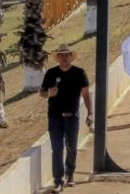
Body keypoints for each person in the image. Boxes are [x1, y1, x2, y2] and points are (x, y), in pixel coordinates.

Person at [40, 44, 92, 192]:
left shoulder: (79, 73)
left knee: (72, 148)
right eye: (61, 55)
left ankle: (70, 174)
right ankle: (58, 180)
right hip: (55, 118)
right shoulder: (51, 73)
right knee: (57, 149)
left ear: (71, 56)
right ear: (58, 58)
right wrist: (50, 93)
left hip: (72, 117)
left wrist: (90, 113)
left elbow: (86, 94)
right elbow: (42, 92)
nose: (64, 57)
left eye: (66, 55)